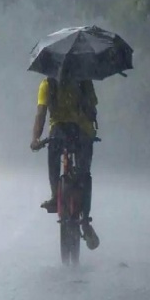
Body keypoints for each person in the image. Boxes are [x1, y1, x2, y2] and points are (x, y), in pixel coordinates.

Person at [30, 76, 99, 249]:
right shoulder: (84, 80)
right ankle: (85, 220)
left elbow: (41, 113)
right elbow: (93, 109)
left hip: (61, 132)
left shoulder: (48, 84)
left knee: (54, 154)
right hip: (82, 131)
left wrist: (36, 139)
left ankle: (55, 195)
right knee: (84, 174)